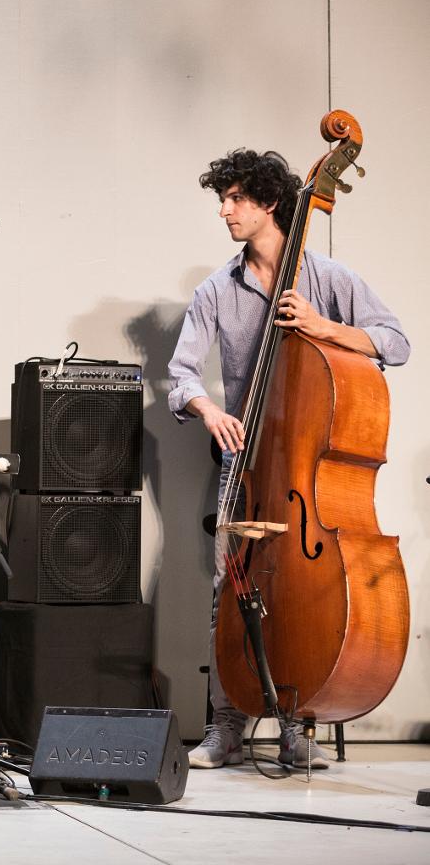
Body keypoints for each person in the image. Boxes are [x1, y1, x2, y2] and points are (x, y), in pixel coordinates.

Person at [167, 149, 409, 770]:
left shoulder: (327, 278)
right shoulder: (216, 290)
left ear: (271, 203)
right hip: (246, 468)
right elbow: (181, 374)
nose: (225, 211)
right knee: (231, 589)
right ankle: (223, 726)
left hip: (307, 474)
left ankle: (297, 722)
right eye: (221, 200)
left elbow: (395, 342)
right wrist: (210, 411)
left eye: (235, 199)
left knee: (309, 597)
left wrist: (324, 327)